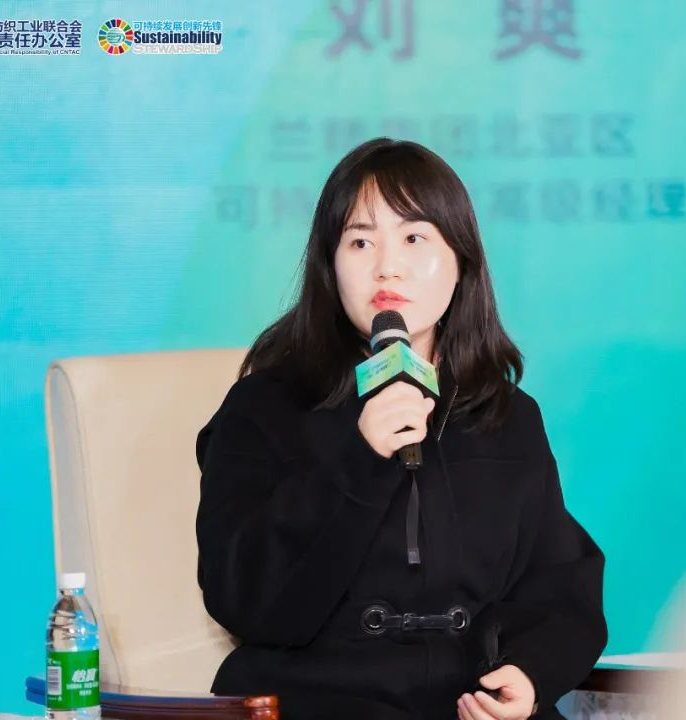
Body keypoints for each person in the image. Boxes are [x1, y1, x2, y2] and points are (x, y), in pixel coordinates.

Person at [195, 138, 606, 720]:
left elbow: (561, 584)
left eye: (414, 238)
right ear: (329, 267)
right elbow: (245, 599)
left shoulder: (506, 415)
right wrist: (358, 458)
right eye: (360, 241)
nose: (387, 266)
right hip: (319, 702)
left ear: (461, 261)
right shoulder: (265, 408)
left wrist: (530, 674)